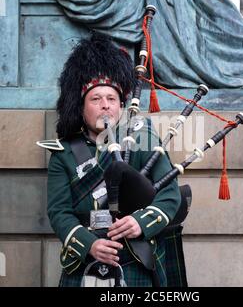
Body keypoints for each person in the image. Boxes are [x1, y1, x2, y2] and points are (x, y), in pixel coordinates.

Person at [38, 32, 187, 287]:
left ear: (120, 106)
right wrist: (90, 245)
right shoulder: (63, 153)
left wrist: (140, 222)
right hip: (84, 263)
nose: (105, 105)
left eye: (111, 99)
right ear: (81, 107)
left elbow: (170, 196)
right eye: (96, 99)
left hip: (134, 260)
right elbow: (59, 212)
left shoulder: (142, 139)